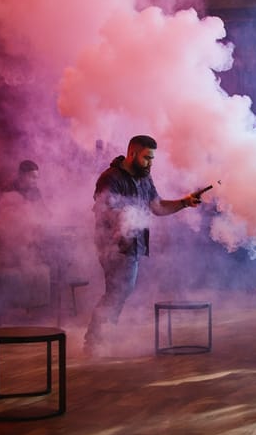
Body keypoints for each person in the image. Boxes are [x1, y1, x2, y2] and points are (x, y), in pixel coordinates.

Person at [84, 135, 203, 356]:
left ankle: (100, 338)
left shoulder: (144, 178)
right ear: (132, 154)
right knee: (119, 291)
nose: (150, 163)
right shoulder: (110, 178)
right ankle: (94, 341)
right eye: (147, 158)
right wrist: (124, 216)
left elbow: (157, 207)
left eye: (153, 159)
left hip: (133, 244)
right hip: (114, 245)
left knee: (119, 291)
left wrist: (185, 202)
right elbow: (104, 210)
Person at [0, 159, 52, 266]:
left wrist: (50, 217)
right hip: (11, 236)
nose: (35, 180)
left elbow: (43, 211)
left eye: (37, 177)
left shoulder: (35, 191)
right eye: (33, 177)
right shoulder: (9, 189)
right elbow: (2, 217)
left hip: (29, 235)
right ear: (22, 176)